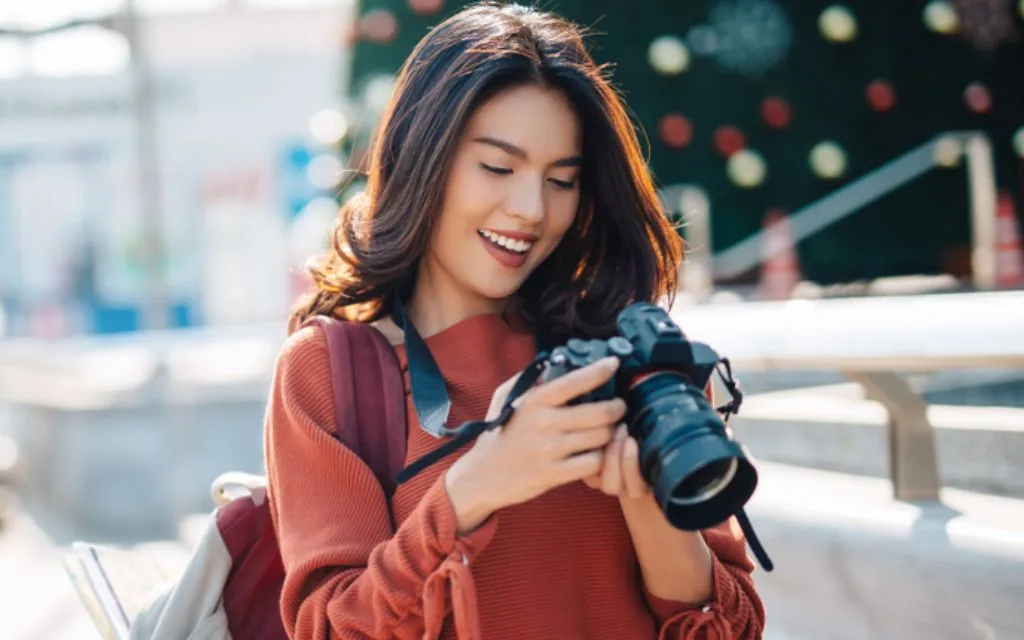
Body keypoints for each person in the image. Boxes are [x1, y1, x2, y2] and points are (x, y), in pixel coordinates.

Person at [265, 3, 765, 639]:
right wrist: (475, 486)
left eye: (562, 180)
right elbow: (334, 631)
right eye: (498, 168)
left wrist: (644, 498)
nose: (531, 209)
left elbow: (732, 631)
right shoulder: (331, 372)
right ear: (423, 158)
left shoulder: (626, 357)